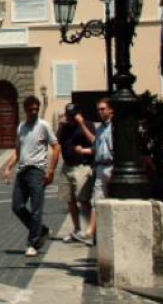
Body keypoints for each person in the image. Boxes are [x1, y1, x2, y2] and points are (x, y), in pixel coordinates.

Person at [2, 96, 61, 258]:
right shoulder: (21, 127)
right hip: (22, 171)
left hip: (37, 171)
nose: (34, 112)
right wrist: (8, 167)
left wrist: (51, 170)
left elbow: (56, 148)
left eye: (36, 109)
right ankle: (41, 230)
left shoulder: (43, 126)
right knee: (17, 206)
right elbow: (17, 151)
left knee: (36, 209)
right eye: (31, 109)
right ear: (25, 109)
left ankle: (33, 243)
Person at [56, 103, 95, 244]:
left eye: (73, 115)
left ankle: (90, 232)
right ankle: (77, 229)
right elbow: (56, 141)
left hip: (81, 166)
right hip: (67, 166)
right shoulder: (66, 126)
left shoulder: (87, 124)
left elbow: (93, 140)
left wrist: (82, 124)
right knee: (70, 201)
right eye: (69, 115)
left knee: (84, 200)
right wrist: (60, 126)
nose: (71, 118)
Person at [78, 97, 113, 244]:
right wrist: (84, 150)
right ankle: (91, 231)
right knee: (96, 200)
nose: (100, 112)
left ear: (111, 110)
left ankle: (96, 231)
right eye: (98, 109)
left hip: (113, 165)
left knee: (112, 199)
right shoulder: (100, 128)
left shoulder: (116, 126)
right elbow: (96, 146)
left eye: (102, 109)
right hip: (100, 166)